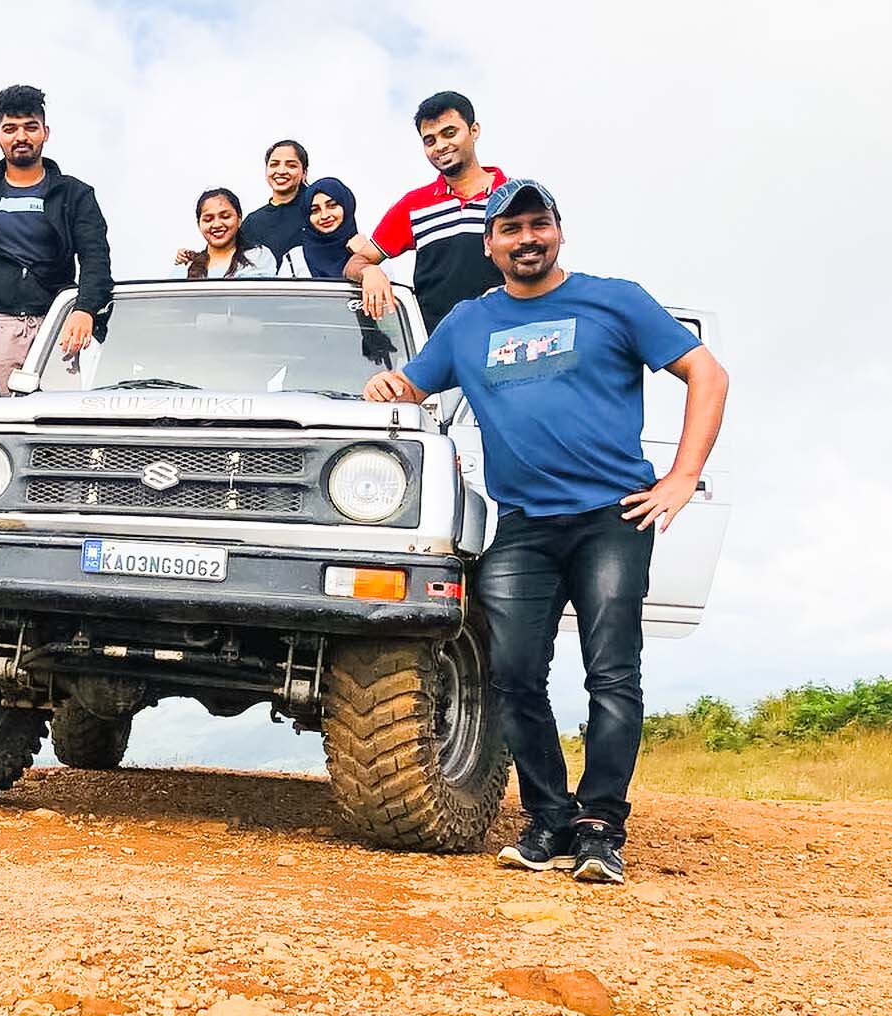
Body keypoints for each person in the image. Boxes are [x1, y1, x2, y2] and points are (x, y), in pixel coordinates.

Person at [363, 180, 730, 885]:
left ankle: (600, 827)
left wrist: (683, 475)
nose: (526, 239)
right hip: (524, 525)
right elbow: (412, 386)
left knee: (611, 673)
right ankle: (548, 818)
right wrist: (388, 387)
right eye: (511, 229)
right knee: (512, 675)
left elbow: (707, 374)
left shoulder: (615, 300)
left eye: (539, 224)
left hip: (613, 517)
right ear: (489, 245)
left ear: (559, 230)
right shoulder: (468, 322)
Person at [0, 84, 113, 397]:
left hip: (56, 321)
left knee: (58, 417)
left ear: (45, 132)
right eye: (10, 129)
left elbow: (96, 257)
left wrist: (85, 309)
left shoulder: (75, 194)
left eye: (30, 127)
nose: (21, 137)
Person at [345, 91, 508, 330]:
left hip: (506, 338)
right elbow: (356, 262)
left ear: (474, 131)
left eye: (449, 133)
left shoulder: (514, 196)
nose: (440, 146)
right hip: (437, 343)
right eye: (430, 140)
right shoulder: (413, 205)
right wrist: (369, 271)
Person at [173, 138, 314, 270]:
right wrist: (194, 258)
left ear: (304, 173)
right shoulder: (254, 221)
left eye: (291, 165)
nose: (281, 171)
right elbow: (226, 251)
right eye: (274, 164)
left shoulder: (315, 210)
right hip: (265, 286)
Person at [173, 189, 277, 279]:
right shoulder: (187, 265)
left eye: (225, 217)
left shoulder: (258, 256)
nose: (217, 224)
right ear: (199, 224)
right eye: (208, 219)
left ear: (239, 219)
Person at [281, 177, 359, 278]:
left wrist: (364, 256)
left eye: (332, 205)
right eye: (315, 210)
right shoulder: (295, 259)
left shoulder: (365, 251)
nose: (324, 216)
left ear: (347, 206)